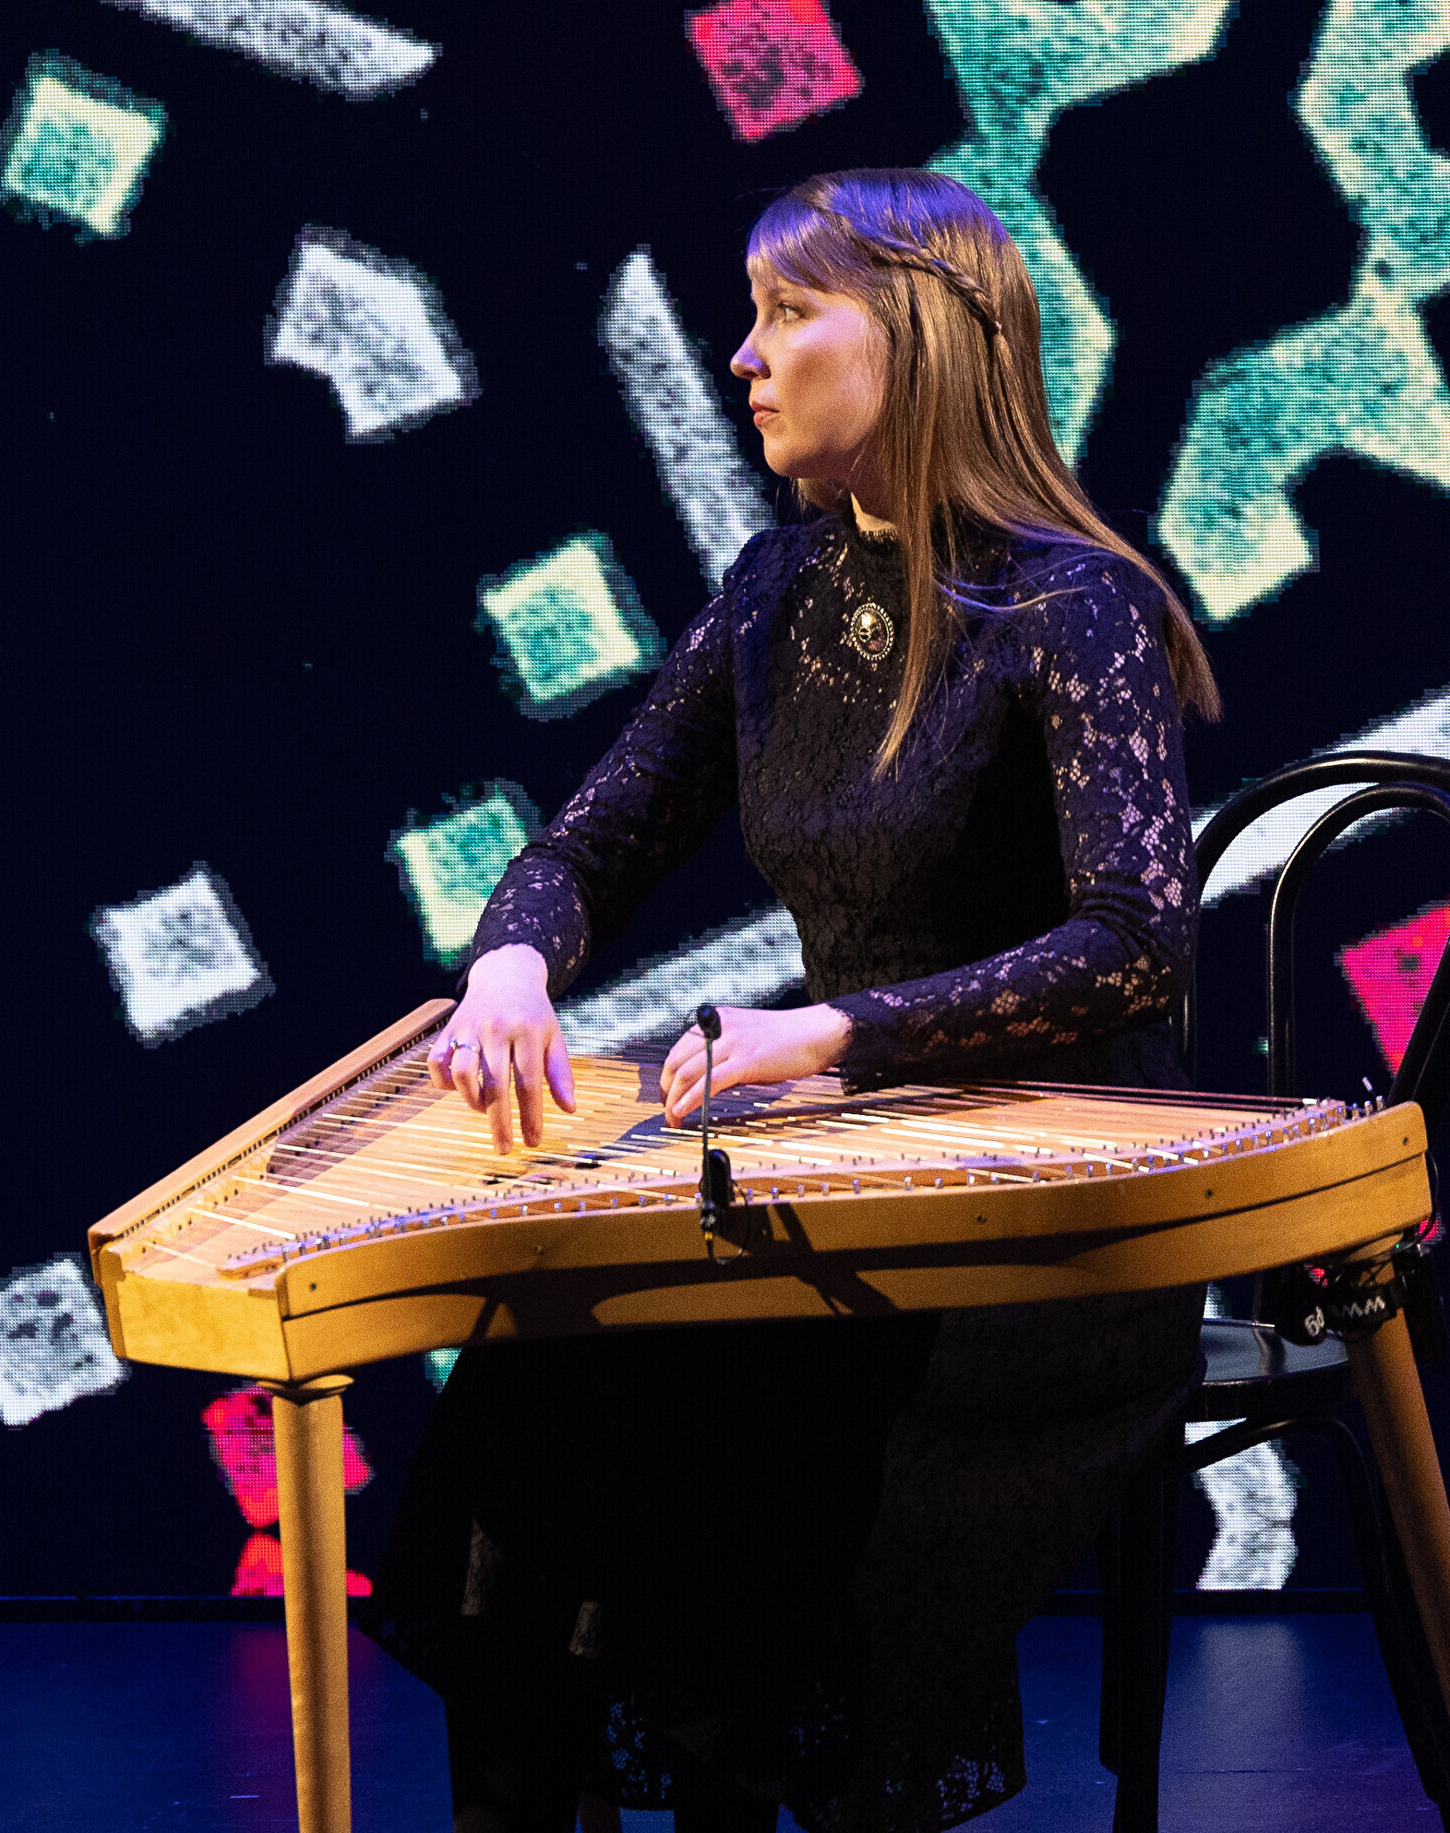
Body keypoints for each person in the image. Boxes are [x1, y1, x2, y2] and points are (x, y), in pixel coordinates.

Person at [363, 169, 1222, 1833]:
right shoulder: (777, 591)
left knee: (729, 1420)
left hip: (1051, 1234)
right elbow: (593, 838)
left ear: (911, 335)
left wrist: (839, 1033)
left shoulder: (1073, 603)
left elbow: (1136, 943)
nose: (742, 358)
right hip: (849, 1188)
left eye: (785, 315)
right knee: (535, 1387)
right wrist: (512, 961)